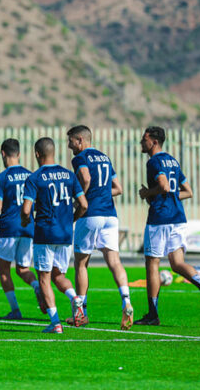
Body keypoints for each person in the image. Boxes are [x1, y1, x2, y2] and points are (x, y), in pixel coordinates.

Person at [135, 126, 200, 325]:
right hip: (178, 217)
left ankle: (153, 314)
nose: (141, 142)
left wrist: (148, 193)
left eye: (144, 139)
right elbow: (188, 191)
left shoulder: (154, 162)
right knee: (177, 263)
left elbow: (163, 185)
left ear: (154, 142)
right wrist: (170, 195)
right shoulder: (172, 160)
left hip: (160, 218)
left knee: (152, 264)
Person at [67, 125, 133, 330]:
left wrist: (81, 198)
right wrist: (101, 193)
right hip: (110, 216)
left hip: (90, 215)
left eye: (70, 141)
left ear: (80, 140)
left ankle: (81, 312)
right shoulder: (105, 157)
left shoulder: (79, 158)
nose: (69, 146)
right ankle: (126, 301)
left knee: (81, 263)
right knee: (114, 261)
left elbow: (85, 178)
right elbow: (118, 189)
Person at [21, 137, 88, 333]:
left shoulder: (34, 178)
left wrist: (25, 220)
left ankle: (55, 322)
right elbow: (84, 204)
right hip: (66, 234)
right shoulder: (69, 175)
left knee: (45, 277)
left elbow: (26, 210)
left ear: (37, 154)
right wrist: (72, 219)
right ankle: (76, 299)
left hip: (45, 233)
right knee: (59, 275)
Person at [0, 138, 44, 319]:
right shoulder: (31, 175)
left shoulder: (1, 178)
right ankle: (37, 287)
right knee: (23, 269)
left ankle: (15, 310)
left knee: (4, 271)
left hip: (8, 228)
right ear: (19, 154)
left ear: (3, 153)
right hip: (28, 228)